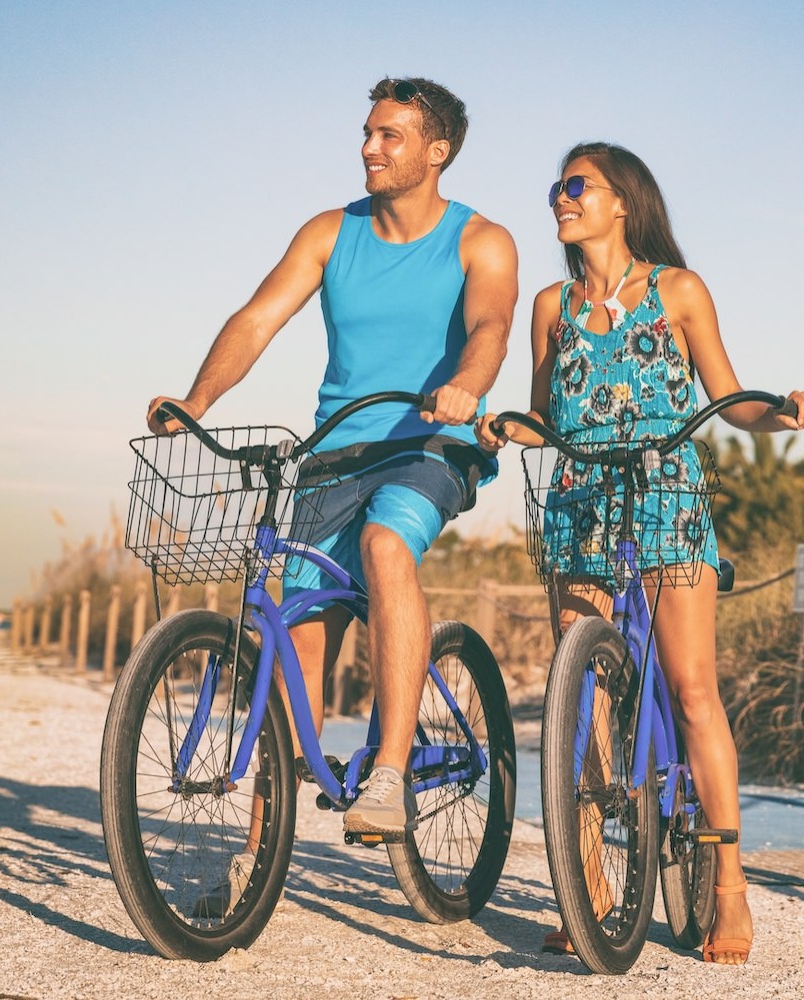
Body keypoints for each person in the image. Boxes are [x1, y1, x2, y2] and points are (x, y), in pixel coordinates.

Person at [146, 77, 517, 847]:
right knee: (297, 635)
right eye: (368, 132)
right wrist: (196, 402)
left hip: (428, 448)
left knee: (387, 546)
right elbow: (257, 319)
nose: (370, 148)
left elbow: (491, 326)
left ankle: (387, 775)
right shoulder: (329, 232)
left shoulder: (481, 239)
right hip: (334, 453)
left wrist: (465, 388)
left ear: (436, 151)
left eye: (391, 136)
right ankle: (259, 853)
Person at [479, 142, 804, 966]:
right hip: (576, 506)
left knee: (696, 690)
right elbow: (541, 417)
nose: (560, 198)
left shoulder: (678, 291)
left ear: (622, 201)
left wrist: (786, 412)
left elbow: (730, 402)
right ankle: (588, 885)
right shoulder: (548, 306)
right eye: (557, 187)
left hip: (668, 500)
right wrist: (497, 428)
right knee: (583, 701)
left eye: (576, 185)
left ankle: (732, 886)